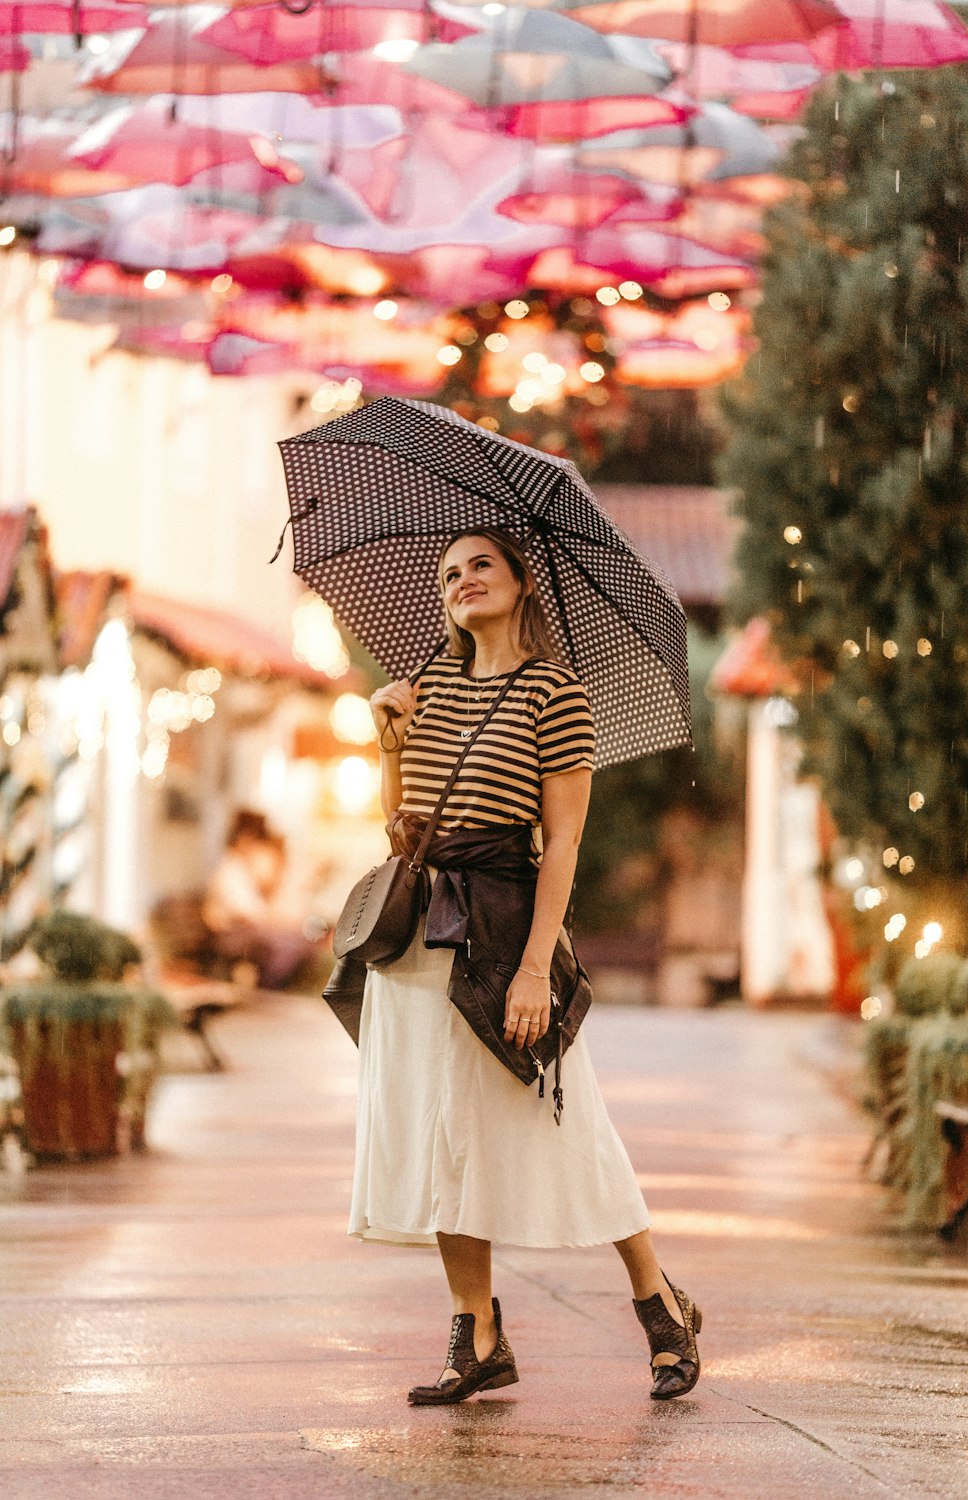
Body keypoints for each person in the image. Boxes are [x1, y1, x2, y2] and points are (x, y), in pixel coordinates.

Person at [351, 526, 702, 1406]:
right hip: (420, 940)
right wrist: (391, 740)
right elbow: (403, 831)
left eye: (481, 565)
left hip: (508, 928)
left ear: (520, 579)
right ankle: (477, 1334)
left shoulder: (557, 693)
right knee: (442, 1134)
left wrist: (537, 967)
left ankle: (659, 1304)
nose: (463, 581)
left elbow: (566, 840)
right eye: (450, 574)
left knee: (565, 1120)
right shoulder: (421, 689)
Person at [203, 809, 314, 991]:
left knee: (296, 939)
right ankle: (267, 989)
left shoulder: (244, 869)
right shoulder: (231, 870)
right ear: (245, 839)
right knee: (285, 945)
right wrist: (279, 921)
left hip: (247, 928)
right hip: (230, 933)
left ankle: (270, 987)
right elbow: (249, 913)